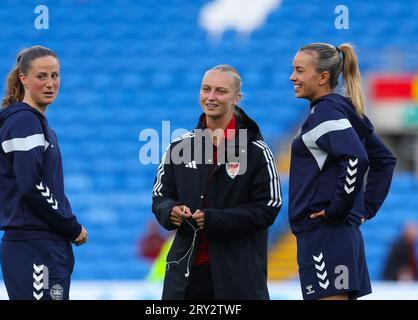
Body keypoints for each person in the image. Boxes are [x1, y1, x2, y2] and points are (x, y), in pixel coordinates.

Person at [152, 64, 282, 300]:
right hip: (185, 277)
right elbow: (160, 196)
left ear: (237, 98)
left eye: (220, 91)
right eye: (206, 89)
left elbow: (268, 208)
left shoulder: (255, 150)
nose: (211, 97)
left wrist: (214, 219)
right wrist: (169, 211)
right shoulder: (179, 147)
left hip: (238, 279)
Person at [288, 42, 397, 300]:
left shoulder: (325, 114)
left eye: (300, 70)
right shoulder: (339, 111)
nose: (293, 76)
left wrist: (340, 210)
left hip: (326, 235)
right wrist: (363, 209)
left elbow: (357, 157)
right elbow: (384, 160)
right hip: (337, 234)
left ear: (323, 77)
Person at [0, 46, 88, 300]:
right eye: (41, 76)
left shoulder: (38, 123)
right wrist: (70, 225)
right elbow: (32, 184)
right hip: (33, 245)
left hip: (46, 244)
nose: (50, 83)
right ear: (24, 79)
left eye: (55, 75)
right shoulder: (24, 122)